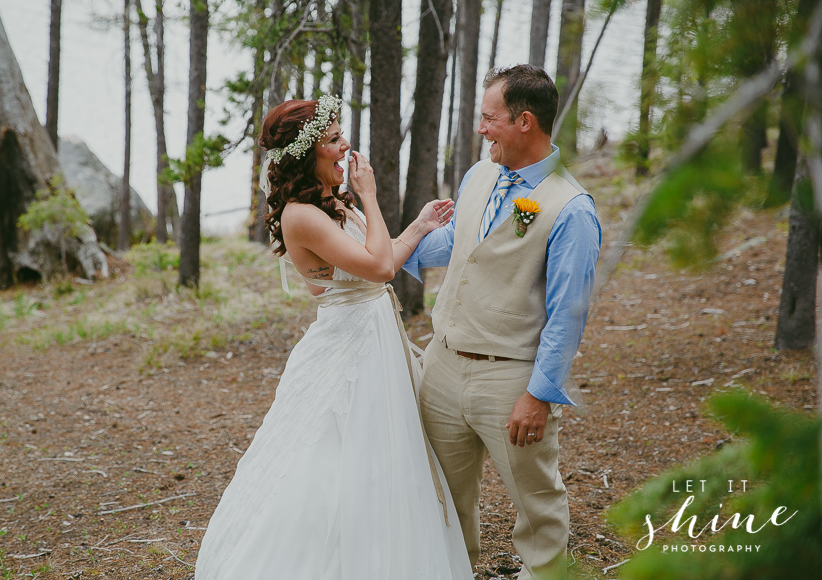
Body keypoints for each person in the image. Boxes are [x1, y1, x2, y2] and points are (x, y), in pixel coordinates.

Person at [195, 95, 472, 579]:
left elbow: (375, 262)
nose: (345, 147)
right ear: (307, 154)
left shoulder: (329, 202)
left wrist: (422, 224)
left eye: (341, 136)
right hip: (350, 345)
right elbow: (382, 268)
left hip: (373, 334)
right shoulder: (301, 216)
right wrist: (370, 194)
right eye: (333, 140)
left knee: (382, 461)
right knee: (335, 456)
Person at [404, 64, 602, 579]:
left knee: (538, 508)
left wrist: (538, 394)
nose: (481, 128)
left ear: (525, 122)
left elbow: (568, 314)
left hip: (509, 378)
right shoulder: (480, 174)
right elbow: (456, 247)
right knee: (444, 501)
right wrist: (371, 246)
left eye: (489, 118)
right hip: (442, 369)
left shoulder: (572, 208)